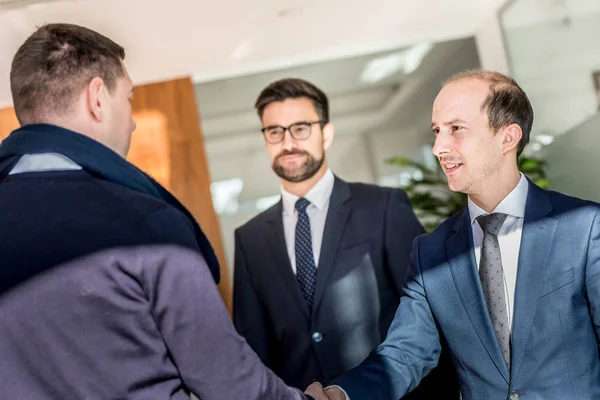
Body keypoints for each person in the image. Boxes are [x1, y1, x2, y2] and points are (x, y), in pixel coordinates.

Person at [0, 23, 313, 400]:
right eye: (128, 98)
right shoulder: (145, 222)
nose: (131, 121)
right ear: (97, 98)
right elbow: (231, 384)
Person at [306, 70, 600, 400]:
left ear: (508, 137)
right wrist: (339, 395)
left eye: (455, 129)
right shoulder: (430, 253)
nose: (438, 147)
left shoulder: (584, 227)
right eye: (437, 131)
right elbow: (405, 354)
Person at [233, 78, 458, 397]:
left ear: (326, 133)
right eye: (275, 131)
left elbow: (430, 313)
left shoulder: (382, 207)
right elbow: (254, 348)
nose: (288, 142)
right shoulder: (249, 238)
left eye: (300, 128)